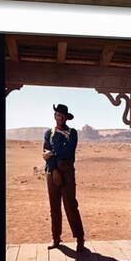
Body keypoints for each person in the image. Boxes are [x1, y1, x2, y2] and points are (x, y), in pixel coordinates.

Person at [43, 104, 87, 252]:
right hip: (51, 171)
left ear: (66, 117)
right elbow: (45, 152)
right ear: (54, 115)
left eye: (62, 115)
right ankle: (56, 238)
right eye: (57, 114)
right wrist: (54, 169)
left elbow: (68, 151)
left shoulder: (72, 133)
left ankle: (80, 238)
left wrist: (51, 153)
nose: (59, 117)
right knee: (54, 207)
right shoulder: (48, 133)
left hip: (67, 171)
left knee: (70, 205)